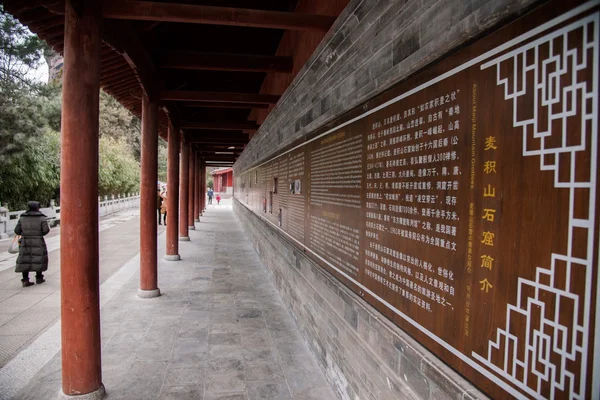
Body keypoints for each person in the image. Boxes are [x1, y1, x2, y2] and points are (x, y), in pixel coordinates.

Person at [14, 201, 50, 287]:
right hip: (38, 241)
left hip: (25, 241)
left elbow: (17, 231)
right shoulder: (41, 218)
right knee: (39, 258)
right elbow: (46, 230)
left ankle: (25, 280)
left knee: (25, 259)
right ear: (38, 207)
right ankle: (39, 278)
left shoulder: (22, 218)